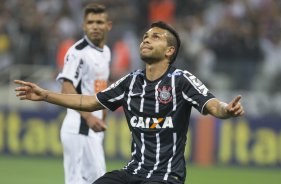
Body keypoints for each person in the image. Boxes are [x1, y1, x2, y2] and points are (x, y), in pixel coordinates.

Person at [14, 21, 244, 184]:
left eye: (156, 37)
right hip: (133, 172)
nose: (146, 39)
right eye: (145, 36)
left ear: (169, 51)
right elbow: (90, 101)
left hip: (165, 176)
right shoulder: (131, 81)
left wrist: (226, 109)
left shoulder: (181, 80)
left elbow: (213, 105)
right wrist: (45, 94)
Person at [55, 3, 112, 184]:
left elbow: (100, 88)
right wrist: (88, 117)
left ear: (108, 25)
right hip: (80, 127)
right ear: (83, 26)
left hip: (93, 128)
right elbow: (66, 87)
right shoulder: (78, 53)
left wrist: (103, 114)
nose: (95, 26)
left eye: (99, 22)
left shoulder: (106, 52)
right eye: (90, 22)